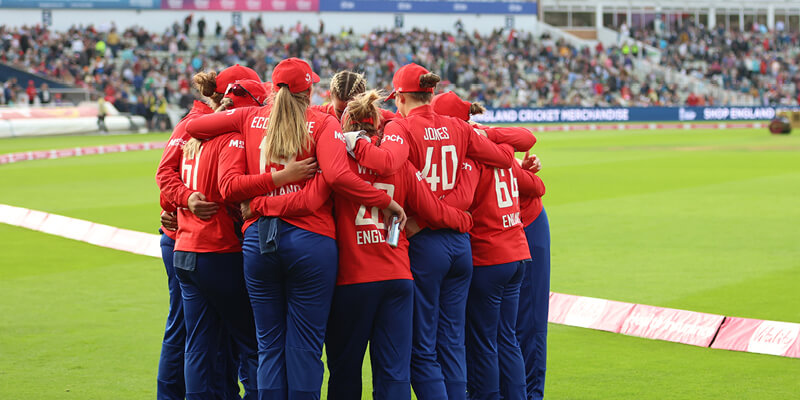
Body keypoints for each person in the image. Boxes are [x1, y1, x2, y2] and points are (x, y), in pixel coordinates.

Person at [184, 58, 407, 399]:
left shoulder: (249, 117)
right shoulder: (322, 122)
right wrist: (384, 200)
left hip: (259, 241)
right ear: (310, 90)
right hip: (311, 242)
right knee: (304, 346)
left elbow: (195, 129)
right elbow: (334, 179)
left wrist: (262, 201)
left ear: (274, 89)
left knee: (269, 345)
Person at [346, 63, 514, 400]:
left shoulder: (402, 128)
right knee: (452, 342)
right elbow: (502, 157)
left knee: (422, 348)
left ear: (401, 97)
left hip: (424, 244)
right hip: (460, 247)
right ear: (432, 93)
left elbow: (389, 164)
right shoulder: (458, 127)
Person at [432, 91, 544, 400]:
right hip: (516, 250)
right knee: (507, 337)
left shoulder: (468, 156)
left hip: (489, 255)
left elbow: (462, 200)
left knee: (483, 341)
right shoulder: (500, 148)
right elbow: (536, 181)